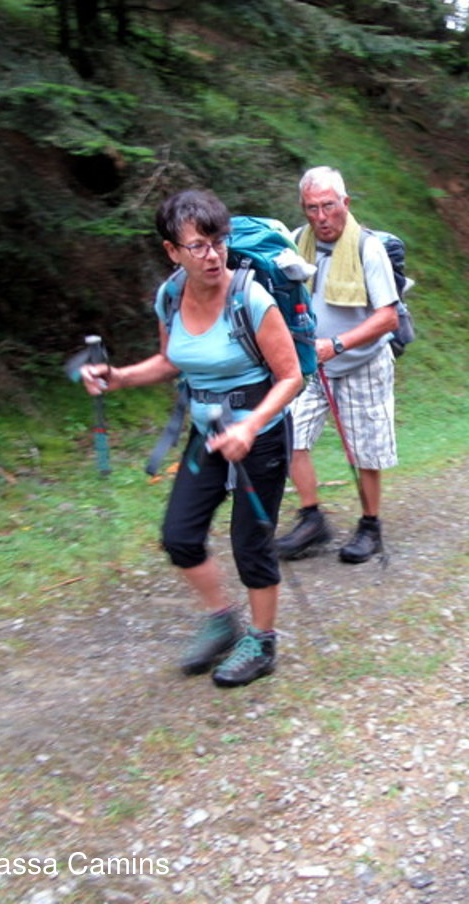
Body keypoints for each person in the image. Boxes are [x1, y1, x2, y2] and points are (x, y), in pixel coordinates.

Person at [81, 189, 304, 688]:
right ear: (172, 251)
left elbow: (291, 376)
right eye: (198, 245)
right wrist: (118, 377)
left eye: (218, 241)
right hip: (207, 433)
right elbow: (170, 360)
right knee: (179, 536)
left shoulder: (251, 298)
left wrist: (250, 426)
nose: (212, 255)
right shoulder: (171, 296)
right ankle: (223, 621)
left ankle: (262, 641)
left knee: (251, 543)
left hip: (260, 434)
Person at [274, 166, 400, 564]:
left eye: (328, 205)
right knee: (290, 435)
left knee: (366, 451)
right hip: (312, 365)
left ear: (345, 203)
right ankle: (312, 520)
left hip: (363, 362)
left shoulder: (367, 248)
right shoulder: (296, 242)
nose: (321, 217)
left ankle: (370, 526)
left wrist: (338, 344)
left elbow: (388, 317)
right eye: (312, 208)